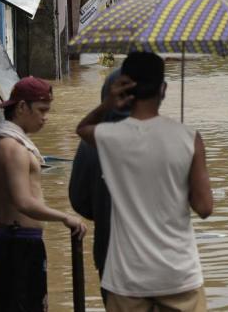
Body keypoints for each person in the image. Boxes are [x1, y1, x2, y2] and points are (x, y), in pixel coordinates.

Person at [75, 52, 213, 311]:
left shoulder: (110, 137)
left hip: (127, 277)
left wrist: (107, 104)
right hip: (179, 275)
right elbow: (204, 208)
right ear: (163, 89)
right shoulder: (189, 138)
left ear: (126, 87)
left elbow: (82, 129)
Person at [0, 76, 87, 312]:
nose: (45, 117)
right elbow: (23, 201)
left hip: (3, 238)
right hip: (20, 243)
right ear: (21, 107)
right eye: (41, 110)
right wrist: (64, 217)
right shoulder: (14, 148)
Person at [69, 71, 129, 304]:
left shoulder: (89, 143)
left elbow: (79, 200)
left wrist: (104, 210)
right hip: (162, 262)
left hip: (111, 257)